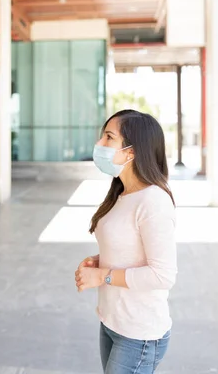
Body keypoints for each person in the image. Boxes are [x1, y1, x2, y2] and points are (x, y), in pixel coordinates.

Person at [75, 109, 177, 374]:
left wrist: (102, 276)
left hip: (138, 334)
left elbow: (163, 276)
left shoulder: (153, 200)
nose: (100, 145)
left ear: (131, 152)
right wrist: (101, 261)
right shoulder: (121, 193)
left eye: (109, 137)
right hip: (112, 322)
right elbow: (131, 248)